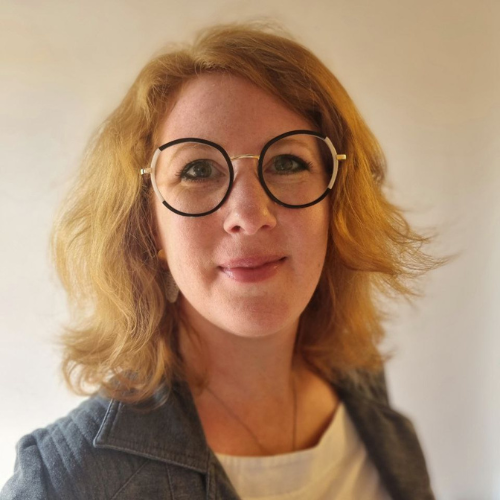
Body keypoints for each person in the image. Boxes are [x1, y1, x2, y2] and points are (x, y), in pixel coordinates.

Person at [1, 23, 445, 500]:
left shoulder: (366, 395)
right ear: (148, 224)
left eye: (287, 163)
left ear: (336, 204)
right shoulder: (65, 483)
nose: (249, 216)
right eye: (198, 170)